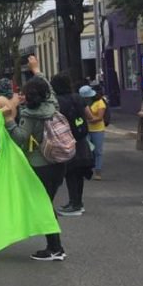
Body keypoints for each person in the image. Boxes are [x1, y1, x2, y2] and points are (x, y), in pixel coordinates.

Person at [1, 56, 67, 261]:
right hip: (59, 161)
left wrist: (10, 121)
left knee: (44, 205)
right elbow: (49, 89)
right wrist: (37, 70)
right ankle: (55, 246)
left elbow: (21, 138)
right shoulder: (52, 105)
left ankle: (55, 248)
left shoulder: (31, 115)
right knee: (46, 203)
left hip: (41, 164)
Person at [52, 74, 92, 217]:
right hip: (81, 139)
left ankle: (74, 204)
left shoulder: (57, 102)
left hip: (65, 140)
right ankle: (77, 202)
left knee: (70, 173)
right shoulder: (78, 98)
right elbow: (90, 115)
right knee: (79, 173)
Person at [81, 85, 107, 180]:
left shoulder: (100, 103)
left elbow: (100, 118)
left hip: (97, 129)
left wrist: (89, 120)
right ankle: (87, 169)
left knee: (98, 151)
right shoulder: (83, 103)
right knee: (87, 150)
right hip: (86, 129)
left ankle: (98, 171)